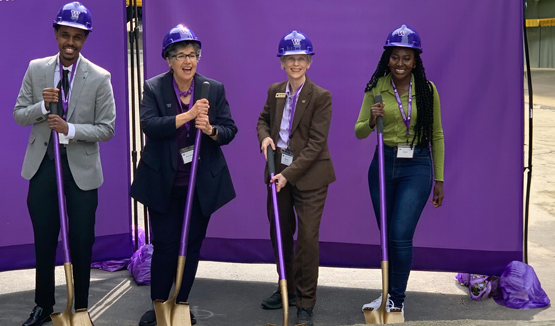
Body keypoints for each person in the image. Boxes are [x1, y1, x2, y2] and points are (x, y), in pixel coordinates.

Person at [13, 2, 116, 326]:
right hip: (43, 168)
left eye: (77, 37)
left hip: (81, 174)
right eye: (65, 35)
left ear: (85, 38)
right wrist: (42, 106)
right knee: (44, 241)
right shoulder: (36, 69)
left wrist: (69, 129)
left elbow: (107, 128)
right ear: (56, 34)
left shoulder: (100, 77)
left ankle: (80, 307)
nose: (70, 43)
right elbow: (19, 114)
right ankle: (43, 305)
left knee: (82, 242)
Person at [130, 24, 237, 326]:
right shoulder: (153, 87)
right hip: (164, 182)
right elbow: (149, 125)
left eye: (193, 55)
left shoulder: (212, 88)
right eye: (180, 55)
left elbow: (230, 130)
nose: (188, 61)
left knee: (191, 247)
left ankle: (181, 303)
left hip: (199, 185)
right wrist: (187, 117)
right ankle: (160, 305)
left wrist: (212, 130)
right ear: (168, 60)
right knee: (165, 246)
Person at [354, 24, 445, 320]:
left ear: (415, 60)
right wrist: (370, 120)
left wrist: (439, 178)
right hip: (382, 163)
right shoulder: (376, 88)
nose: (400, 63)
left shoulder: (428, 90)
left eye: (406, 57)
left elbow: (437, 135)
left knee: (400, 234)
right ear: (387, 59)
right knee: (387, 236)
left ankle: (396, 300)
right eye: (395, 57)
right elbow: (358, 132)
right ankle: (386, 293)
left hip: (416, 165)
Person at [256, 30, 335, 326]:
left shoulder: (321, 97)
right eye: (290, 59)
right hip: (278, 172)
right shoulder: (275, 90)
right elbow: (263, 120)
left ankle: (304, 303)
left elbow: (316, 144)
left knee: (307, 239)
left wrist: (287, 174)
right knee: (280, 233)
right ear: (282, 63)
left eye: (301, 58)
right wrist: (264, 138)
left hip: (310, 176)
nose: (296, 64)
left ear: (309, 62)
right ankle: (285, 287)